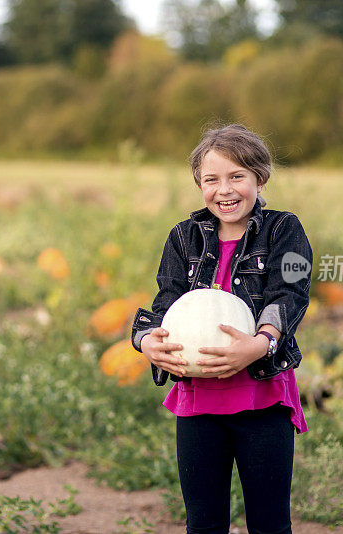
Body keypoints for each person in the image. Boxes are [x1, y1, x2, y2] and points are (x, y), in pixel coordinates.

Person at [131, 124, 313, 534]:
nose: (224, 190)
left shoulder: (284, 229)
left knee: (269, 522)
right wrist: (147, 341)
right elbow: (167, 303)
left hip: (262, 399)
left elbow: (291, 293)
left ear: (259, 178)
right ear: (199, 184)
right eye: (211, 179)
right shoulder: (183, 237)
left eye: (237, 176)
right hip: (198, 403)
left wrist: (261, 343)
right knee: (203, 521)